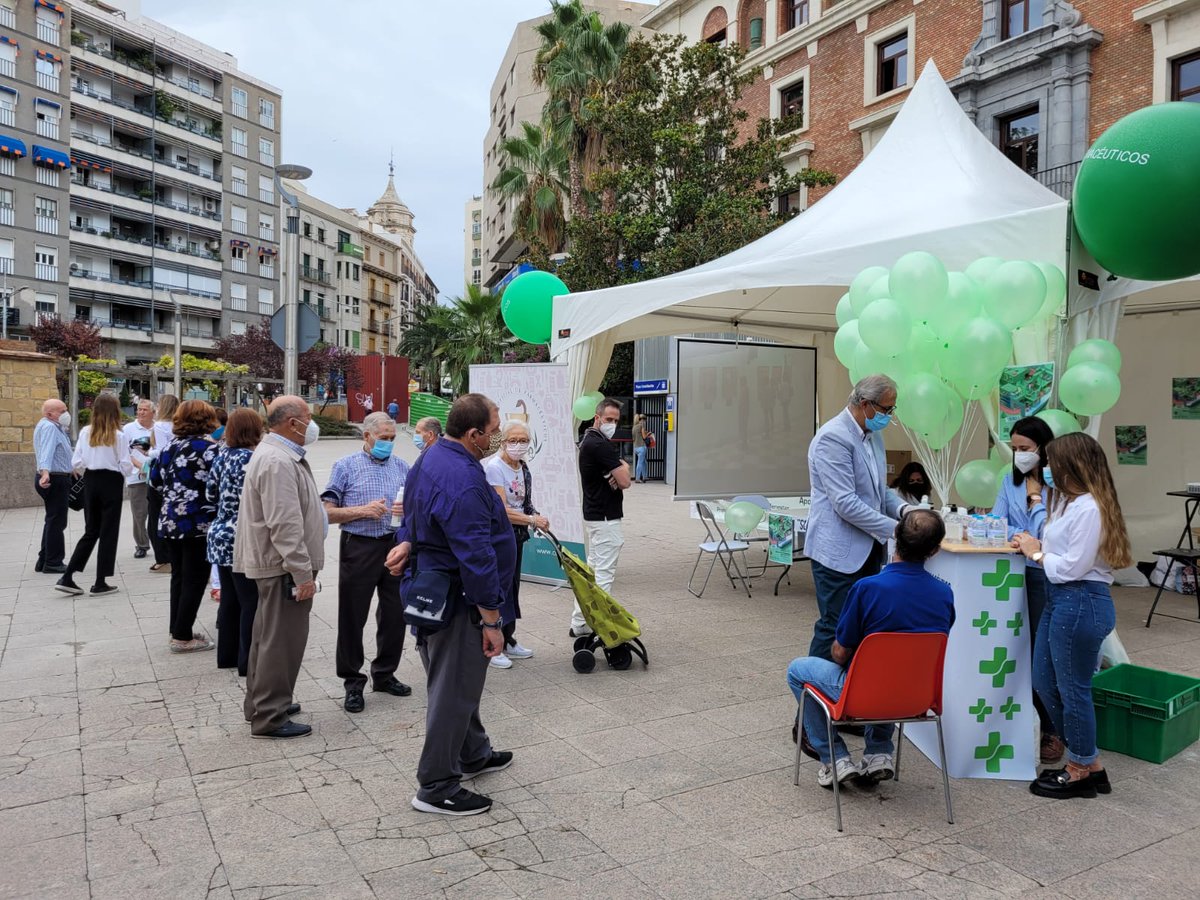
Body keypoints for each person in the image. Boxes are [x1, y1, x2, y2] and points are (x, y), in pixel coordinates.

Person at [385, 393, 515, 816]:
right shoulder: (462, 478)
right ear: (474, 433)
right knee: (452, 690)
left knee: (457, 683)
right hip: (458, 600)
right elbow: (476, 556)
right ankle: (437, 785)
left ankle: (473, 752)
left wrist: (407, 540)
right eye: (495, 429)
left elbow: (414, 512)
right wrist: (492, 619)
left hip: (435, 586)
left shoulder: (434, 455)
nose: (499, 436)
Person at [786, 510, 955, 787]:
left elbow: (840, 653)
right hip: (917, 697)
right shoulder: (944, 593)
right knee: (894, 673)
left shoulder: (867, 588)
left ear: (894, 538)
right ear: (935, 550)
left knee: (797, 670)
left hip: (863, 694)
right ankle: (878, 753)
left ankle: (834, 757)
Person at [1014, 432, 1131, 799]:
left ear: (1071, 467)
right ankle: (1090, 763)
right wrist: (1033, 544)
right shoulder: (1067, 503)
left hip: (1079, 600)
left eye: (1052, 464)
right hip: (1061, 600)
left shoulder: (1090, 509)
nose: (1045, 469)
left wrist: (1035, 553)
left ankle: (1080, 768)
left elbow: (1071, 567)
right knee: (1043, 680)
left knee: (1072, 689)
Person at [805, 375, 911, 663]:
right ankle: (812, 702)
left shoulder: (873, 435)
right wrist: (900, 530)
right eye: (887, 409)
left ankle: (847, 699)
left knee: (862, 628)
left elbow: (879, 491)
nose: (890, 416)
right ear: (865, 404)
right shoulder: (833, 438)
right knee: (835, 628)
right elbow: (846, 504)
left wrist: (906, 511)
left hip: (868, 549)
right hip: (838, 553)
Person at [237, 396, 325, 739]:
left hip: (278, 564)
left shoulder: (279, 455)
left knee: (267, 638)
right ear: (292, 423)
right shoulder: (277, 460)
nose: (311, 423)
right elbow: (285, 524)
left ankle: (263, 704)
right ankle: (270, 715)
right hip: (282, 566)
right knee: (280, 642)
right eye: (308, 417)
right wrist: (302, 573)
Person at [321, 411, 412, 713]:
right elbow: (327, 511)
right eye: (383, 438)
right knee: (352, 615)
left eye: (392, 438)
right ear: (367, 436)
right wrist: (361, 511)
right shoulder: (345, 466)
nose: (388, 443)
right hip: (359, 546)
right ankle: (352, 682)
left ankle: (385, 674)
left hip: (393, 546)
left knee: (395, 614)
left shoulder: (402, 467)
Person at [991, 415, 1062, 764]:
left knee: (1040, 651)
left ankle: (1052, 729)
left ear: (1043, 448)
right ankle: (1025, 719)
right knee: (1016, 649)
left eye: (1026, 449)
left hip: (1043, 574)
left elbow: (1051, 535)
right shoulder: (1010, 481)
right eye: (1015, 448)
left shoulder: (1059, 483)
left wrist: (1028, 531)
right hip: (1011, 571)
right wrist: (1018, 537)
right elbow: (996, 522)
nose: (1019, 455)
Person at [150, 400, 220, 653]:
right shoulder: (210, 450)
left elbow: (155, 480)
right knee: (196, 578)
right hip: (198, 522)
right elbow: (219, 485)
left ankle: (178, 628)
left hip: (170, 520)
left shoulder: (170, 446)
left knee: (179, 576)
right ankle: (182, 637)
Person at [483, 419, 548, 669]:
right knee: (499, 588)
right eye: (514, 440)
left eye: (524, 441)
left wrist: (536, 518)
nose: (519, 445)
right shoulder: (494, 468)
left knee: (512, 588)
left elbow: (525, 502)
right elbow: (501, 510)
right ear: (504, 441)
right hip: (500, 535)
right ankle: (493, 644)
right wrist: (532, 519)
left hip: (518, 534)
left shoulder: (523, 467)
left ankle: (509, 638)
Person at [54, 394, 132, 596]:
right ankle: (100, 581)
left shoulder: (86, 432)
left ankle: (68, 575)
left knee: (91, 530)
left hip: (90, 480)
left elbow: (76, 462)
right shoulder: (119, 435)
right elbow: (125, 465)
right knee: (108, 531)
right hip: (111, 481)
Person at [207, 408, 264, 675]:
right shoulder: (252, 459)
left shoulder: (222, 455)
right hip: (242, 535)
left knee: (230, 598)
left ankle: (227, 655)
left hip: (220, 533)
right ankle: (247, 661)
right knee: (250, 600)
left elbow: (210, 494)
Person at [573, 398, 631, 637]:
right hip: (605, 519)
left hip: (595, 515)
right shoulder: (600, 445)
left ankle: (579, 622)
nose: (612, 424)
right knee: (604, 575)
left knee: (592, 574)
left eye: (616, 420)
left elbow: (620, 476)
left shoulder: (589, 441)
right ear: (597, 417)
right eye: (608, 419)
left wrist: (620, 469)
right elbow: (626, 481)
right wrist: (623, 467)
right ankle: (601, 625)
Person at [33, 398, 74, 574]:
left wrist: (71, 469)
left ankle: (44, 559)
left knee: (52, 519)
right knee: (57, 521)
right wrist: (46, 472)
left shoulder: (51, 426)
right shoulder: (50, 427)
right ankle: (53, 562)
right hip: (54, 479)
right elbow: (46, 452)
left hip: (57, 476)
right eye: (62, 411)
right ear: (50, 414)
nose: (66, 414)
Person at [146, 394, 179, 574]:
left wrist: (148, 452)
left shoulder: (159, 426)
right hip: (175, 477)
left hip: (160, 476)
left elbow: (161, 451)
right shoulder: (178, 425)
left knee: (154, 518)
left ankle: (162, 557)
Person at [123, 399, 155, 560]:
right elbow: (124, 453)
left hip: (156, 478)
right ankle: (142, 544)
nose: (141, 412)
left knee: (156, 512)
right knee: (139, 513)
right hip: (136, 477)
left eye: (145, 410)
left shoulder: (158, 428)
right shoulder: (128, 429)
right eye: (139, 409)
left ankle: (159, 543)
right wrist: (140, 467)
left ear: (153, 413)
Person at [632, 413, 650, 484]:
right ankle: (637, 478)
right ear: (641, 420)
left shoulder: (634, 427)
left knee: (644, 462)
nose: (644, 421)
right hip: (642, 447)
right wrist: (647, 434)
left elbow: (634, 438)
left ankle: (645, 477)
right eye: (644, 420)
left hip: (636, 447)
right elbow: (644, 437)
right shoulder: (641, 426)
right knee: (640, 463)